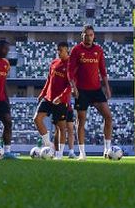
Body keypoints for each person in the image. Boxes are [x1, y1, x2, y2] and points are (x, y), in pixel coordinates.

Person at [68, 25, 113, 159]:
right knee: (81, 121)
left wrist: (107, 88)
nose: (89, 37)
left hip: (96, 90)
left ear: (94, 36)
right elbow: (70, 71)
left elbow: (103, 71)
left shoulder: (98, 50)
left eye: (91, 35)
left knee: (108, 117)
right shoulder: (76, 50)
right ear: (82, 36)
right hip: (81, 91)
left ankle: (107, 149)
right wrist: (73, 87)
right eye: (86, 35)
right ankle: (82, 152)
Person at [34, 42, 74, 160]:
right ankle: (48, 144)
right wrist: (42, 93)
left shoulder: (71, 65)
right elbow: (49, 80)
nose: (59, 52)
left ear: (67, 51)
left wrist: (61, 97)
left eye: (61, 50)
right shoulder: (54, 63)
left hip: (61, 101)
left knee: (61, 127)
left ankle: (59, 155)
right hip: (48, 98)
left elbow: (70, 85)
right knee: (37, 119)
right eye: (58, 50)